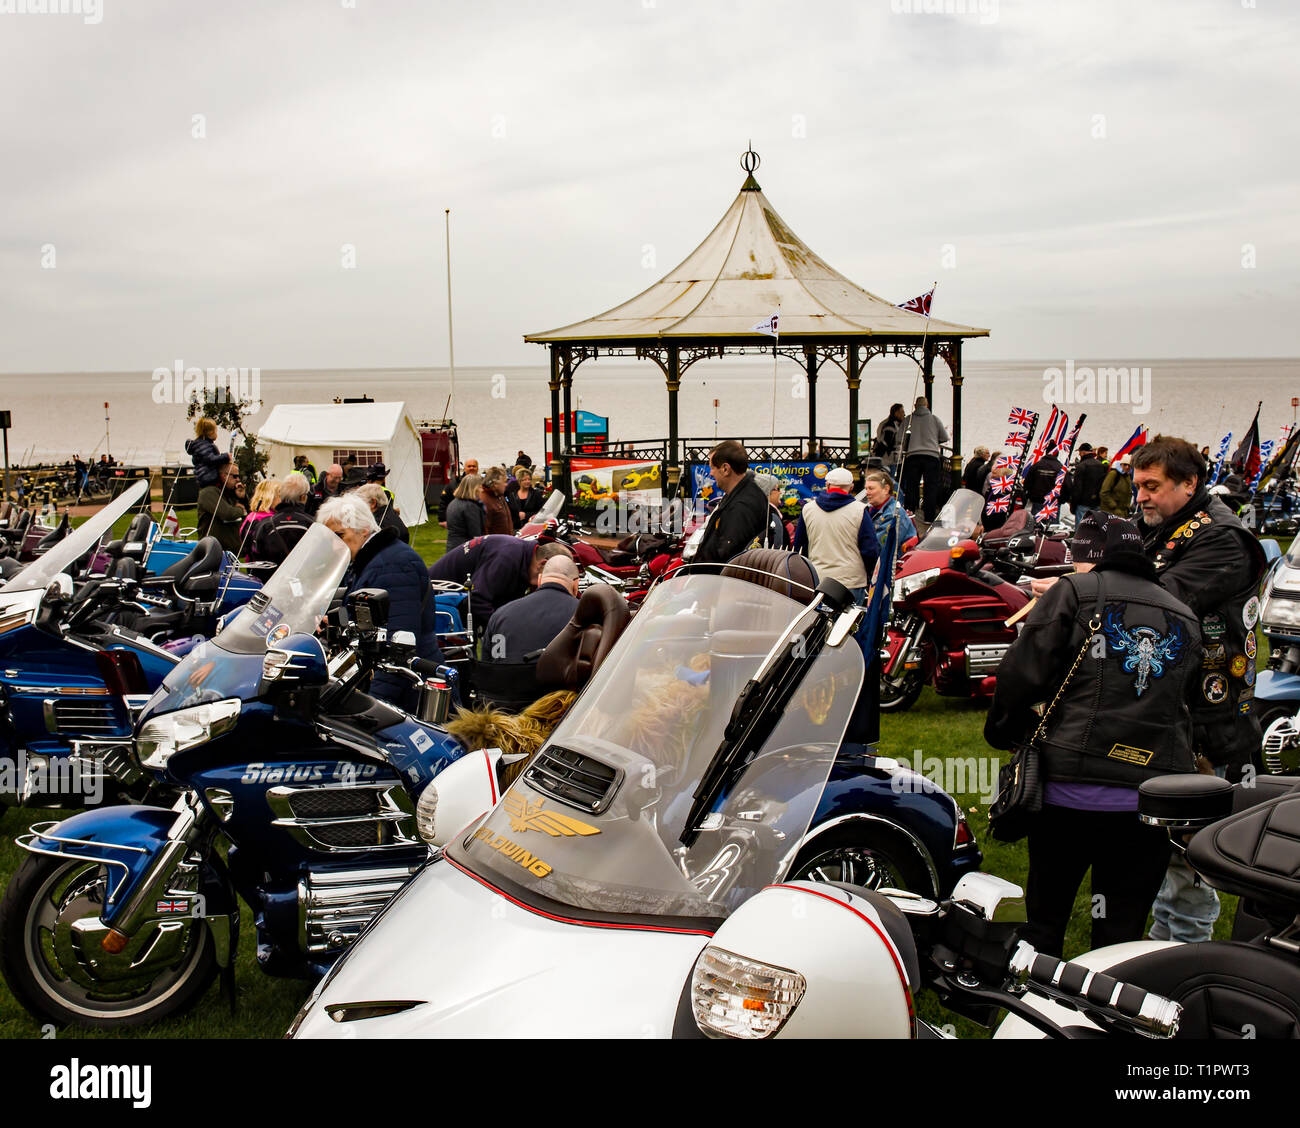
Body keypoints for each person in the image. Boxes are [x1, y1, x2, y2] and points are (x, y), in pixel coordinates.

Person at [985, 512, 1201, 957]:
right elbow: (1192, 704)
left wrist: (1009, 731)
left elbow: (1019, 677)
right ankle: (1108, 1018)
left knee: (1045, 920)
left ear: (1087, 558)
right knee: (1120, 936)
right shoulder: (1184, 613)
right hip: (1149, 800)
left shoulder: (1074, 592)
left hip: (1069, 793)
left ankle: (1039, 1014)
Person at [1131, 435, 1267, 943]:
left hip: (1212, 720)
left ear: (1190, 483)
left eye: (1152, 486)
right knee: (1167, 846)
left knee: (1190, 854)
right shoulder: (1168, 528)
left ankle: (1186, 966)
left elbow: (1161, 598)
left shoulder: (1222, 539)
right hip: (1176, 713)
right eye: (1137, 485)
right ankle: (1162, 952)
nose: (1141, 496)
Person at [319, 494, 440, 710]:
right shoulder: (371, 560)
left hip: (409, 693)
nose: (335, 545)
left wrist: (375, 707)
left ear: (363, 529)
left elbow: (399, 646)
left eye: (339, 535)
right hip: (393, 682)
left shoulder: (391, 565)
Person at [428, 534, 575, 632]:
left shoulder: (523, 556)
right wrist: (505, 628)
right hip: (436, 601)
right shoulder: (507, 557)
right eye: (552, 572)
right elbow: (477, 599)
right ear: (543, 564)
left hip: (455, 602)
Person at [793, 467, 880, 602]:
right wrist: (871, 576)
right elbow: (870, 550)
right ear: (851, 487)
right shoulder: (859, 510)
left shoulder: (808, 509)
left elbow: (800, 547)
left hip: (818, 579)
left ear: (827, 485)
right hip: (851, 582)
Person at [482, 555, 580, 663]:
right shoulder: (585, 614)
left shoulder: (500, 614)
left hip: (505, 678)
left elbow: (488, 666)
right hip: (558, 678)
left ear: (539, 579)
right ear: (576, 584)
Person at [694, 441, 769, 565]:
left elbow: (728, 555)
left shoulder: (742, 506)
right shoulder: (742, 493)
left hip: (719, 581)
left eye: (712, 467)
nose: (711, 473)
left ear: (725, 469)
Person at [898, 396, 949, 521]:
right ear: (927, 406)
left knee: (912, 486)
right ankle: (929, 516)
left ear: (915, 406)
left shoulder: (908, 420)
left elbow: (899, 438)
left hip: (913, 456)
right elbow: (944, 437)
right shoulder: (934, 419)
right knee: (930, 487)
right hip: (931, 456)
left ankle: (910, 513)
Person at [252, 471, 316, 566]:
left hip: (272, 579)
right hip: (303, 578)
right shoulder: (313, 524)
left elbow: (256, 560)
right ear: (303, 497)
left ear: (281, 496)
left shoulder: (264, 525)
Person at [196, 459, 248, 555]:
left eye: (238, 476)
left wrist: (242, 498)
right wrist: (240, 510)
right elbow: (227, 513)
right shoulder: (208, 492)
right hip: (213, 551)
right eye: (235, 476)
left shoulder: (230, 492)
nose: (238, 480)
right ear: (224, 475)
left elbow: (248, 515)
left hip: (231, 551)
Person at [860, 470, 917, 549]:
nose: (867, 492)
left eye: (871, 488)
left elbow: (877, 547)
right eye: (866, 489)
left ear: (886, 489)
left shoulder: (893, 514)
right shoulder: (869, 509)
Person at [1066, 442, 1109, 522]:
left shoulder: (1081, 466)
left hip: (1083, 503)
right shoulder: (1101, 465)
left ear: (1083, 452)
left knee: (1081, 530)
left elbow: (1077, 488)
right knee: (1095, 529)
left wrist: (1073, 505)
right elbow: (1104, 485)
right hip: (1097, 503)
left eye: (1079, 453)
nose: (1079, 455)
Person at [445, 473, 485, 553]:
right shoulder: (470, 507)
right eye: (481, 487)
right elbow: (476, 534)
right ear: (474, 488)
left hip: (452, 547)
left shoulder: (453, 503)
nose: (482, 490)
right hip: (465, 549)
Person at [240, 478, 280, 557]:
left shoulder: (251, 516)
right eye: (280, 495)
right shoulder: (269, 521)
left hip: (251, 564)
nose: (283, 499)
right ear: (270, 497)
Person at [1024, 441, 1063, 513]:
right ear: (1057, 453)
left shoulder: (1037, 465)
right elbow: (1067, 485)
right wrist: (1062, 500)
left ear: (1046, 452)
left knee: (1036, 522)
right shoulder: (1061, 468)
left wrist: (1030, 496)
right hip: (1054, 502)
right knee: (1053, 524)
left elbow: (1027, 483)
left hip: (1038, 501)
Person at [186, 418, 225, 489]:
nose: (216, 434)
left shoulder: (202, 444)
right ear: (211, 432)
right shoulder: (204, 445)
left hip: (204, 478)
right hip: (209, 478)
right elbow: (210, 459)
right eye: (216, 431)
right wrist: (225, 456)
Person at [753, 473, 789, 549]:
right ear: (766, 492)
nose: (780, 492)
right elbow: (777, 546)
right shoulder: (770, 515)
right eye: (777, 489)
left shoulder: (761, 512)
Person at [438, 457, 480, 525]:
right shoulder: (454, 483)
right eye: (469, 466)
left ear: (477, 468)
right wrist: (442, 520)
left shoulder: (483, 483)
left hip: (477, 519)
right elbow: (444, 502)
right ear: (464, 468)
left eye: (474, 466)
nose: (471, 468)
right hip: (459, 520)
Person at [479, 465, 514, 536]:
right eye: (504, 482)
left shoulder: (499, 495)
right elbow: (483, 530)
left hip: (505, 542)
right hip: (495, 545)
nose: (506, 484)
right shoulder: (484, 500)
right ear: (495, 484)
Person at [874, 404, 906, 475]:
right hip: (888, 459)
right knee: (889, 480)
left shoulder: (890, 423)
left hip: (889, 459)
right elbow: (886, 442)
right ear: (896, 413)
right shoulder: (890, 426)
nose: (904, 414)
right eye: (902, 412)